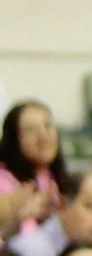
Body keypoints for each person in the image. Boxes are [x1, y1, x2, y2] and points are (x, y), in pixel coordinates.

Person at [0, 99, 64, 239]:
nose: (43, 136)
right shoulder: (3, 180)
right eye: (31, 129)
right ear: (14, 139)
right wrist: (20, 214)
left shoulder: (60, 180)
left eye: (48, 126)